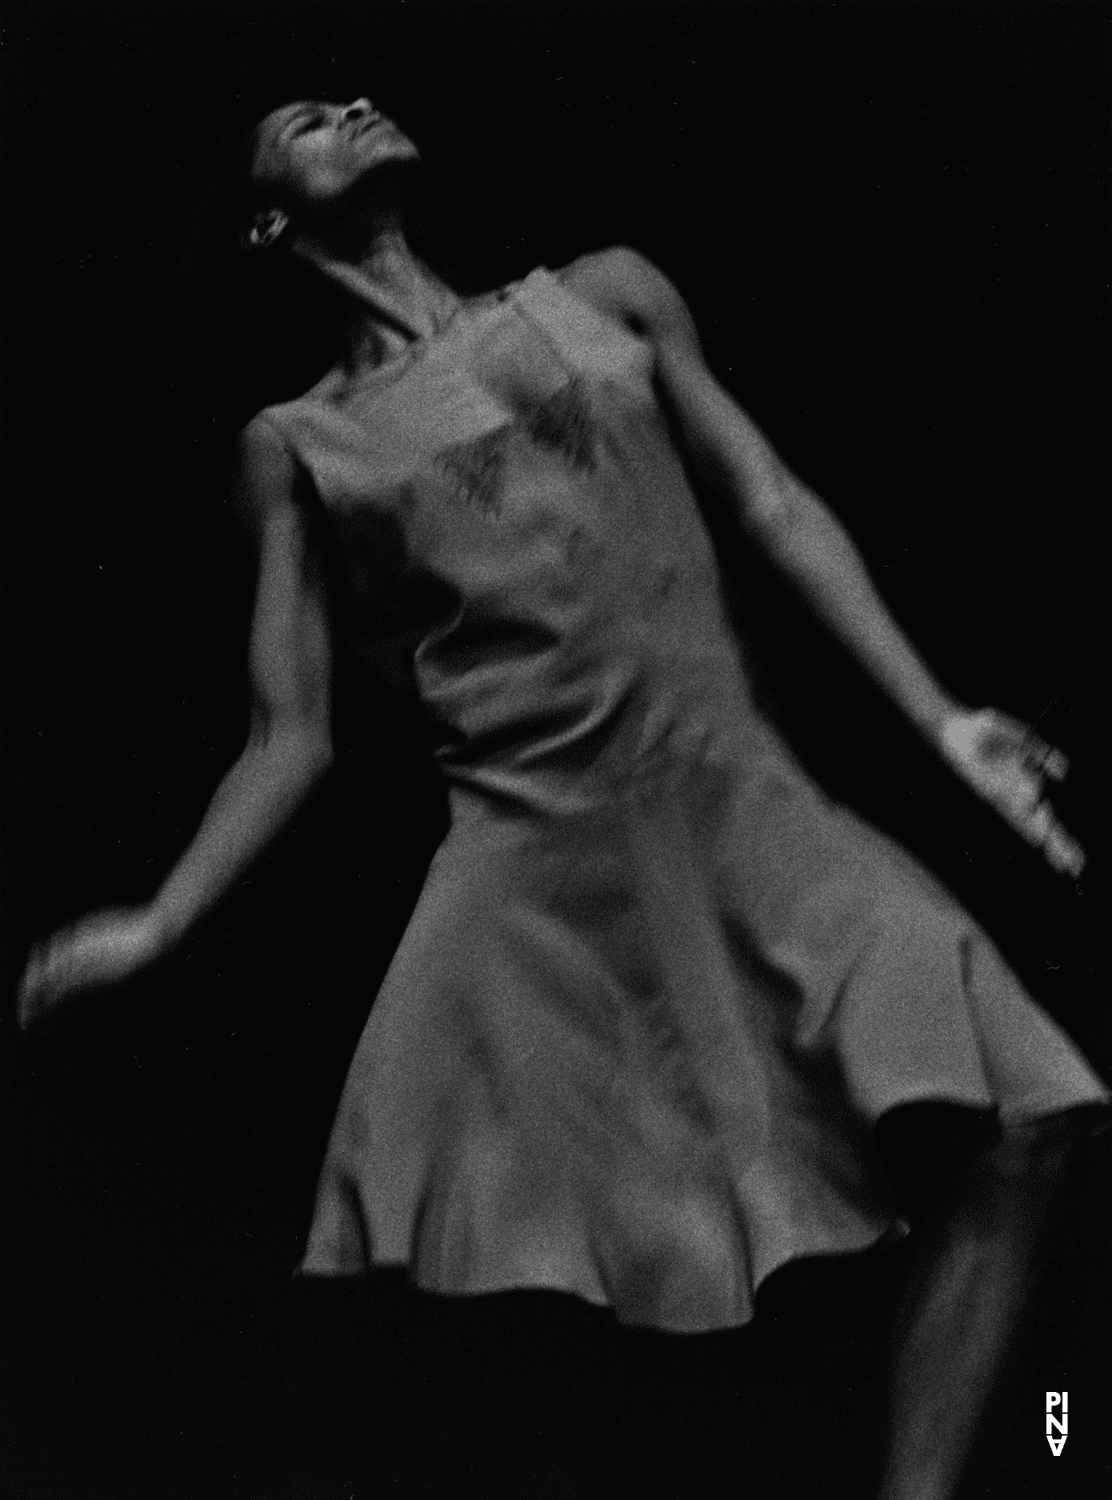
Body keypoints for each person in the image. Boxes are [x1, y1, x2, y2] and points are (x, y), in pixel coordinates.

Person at [18, 96, 1109, 1499]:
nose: (353, 101)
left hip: (735, 798)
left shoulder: (610, 293)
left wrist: (943, 716)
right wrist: (164, 922)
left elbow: (770, 500)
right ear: (265, 219)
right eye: (306, 118)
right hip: (539, 864)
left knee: (1038, 1121)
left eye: (356, 93)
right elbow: (292, 731)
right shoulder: (297, 445)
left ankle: (1008, 1459)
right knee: (547, 1285)